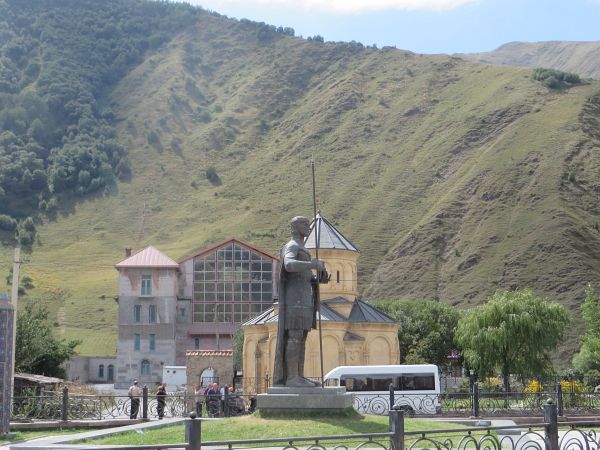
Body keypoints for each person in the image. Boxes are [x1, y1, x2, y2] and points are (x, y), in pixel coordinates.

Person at [273, 216, 327, 387]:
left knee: (301, 338)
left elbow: (303, 274)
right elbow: (288, 265)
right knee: (295, 337)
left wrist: (317, 277)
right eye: (305, 224)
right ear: (295, 228)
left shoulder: (302, 248)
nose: (308, 227)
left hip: (304, 299)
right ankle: (291, 378)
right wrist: (311, 264)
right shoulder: (292, 246)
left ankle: (299, 376)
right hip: (294, 300)